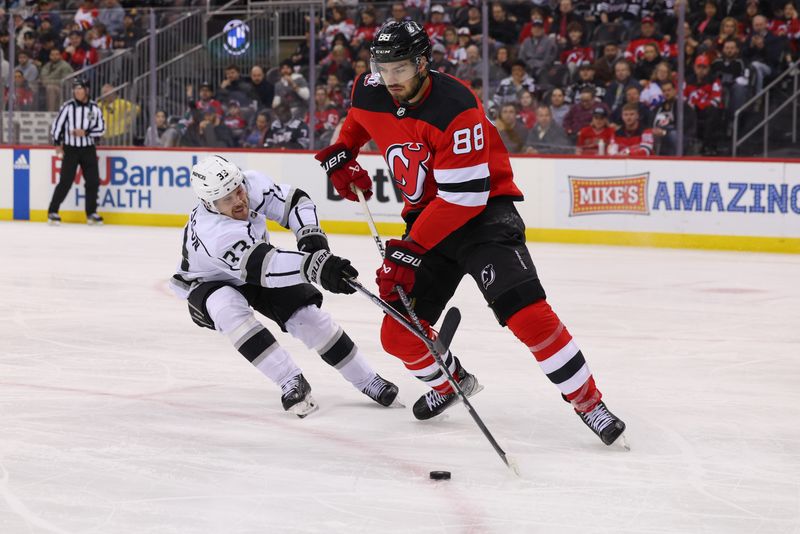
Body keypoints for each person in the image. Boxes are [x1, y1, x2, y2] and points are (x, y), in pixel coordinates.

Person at [315, 21, 627, 446]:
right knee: (398, 333)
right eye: (383, 69)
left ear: (423, 64)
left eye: (401, 69)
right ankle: (451, 382)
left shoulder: (455, 107)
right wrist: (342, 152)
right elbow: (359, 119)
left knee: (527, 313)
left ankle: (589, 403)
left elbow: (464, 199)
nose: (390, 81)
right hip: (427, 224)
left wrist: (406, 252)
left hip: (482, 218)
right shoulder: (372, 89)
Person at [170, 155, 399, 418]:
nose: (239, 200)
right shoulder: (214, 233)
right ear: (210, 204)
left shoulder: (250, 184)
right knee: (227, 308)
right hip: (211, 281)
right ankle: (289, 380)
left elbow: (295, 202)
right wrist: (316, 267)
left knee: (308, 318)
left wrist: (311, 236)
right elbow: (264, 266)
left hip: (256, 265)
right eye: (228, 199)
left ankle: (367, 379)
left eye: (238, 190)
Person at [47, 78, 105, 226]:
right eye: (75, 89)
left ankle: (91, 213)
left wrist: (85, 133)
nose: (77, 91)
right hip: (71, 149)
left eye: (80, 88)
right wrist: (57, 144)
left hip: (88, 149)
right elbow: (57, 126)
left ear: (87, 90)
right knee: (66, 181)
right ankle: (53, 212)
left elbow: (102, 128)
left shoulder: (95, 107)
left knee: (93, 181)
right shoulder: (67, 107)